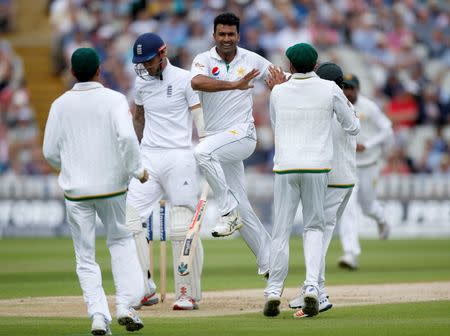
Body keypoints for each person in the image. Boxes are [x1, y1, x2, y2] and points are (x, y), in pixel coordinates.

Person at [43, 48, 146, 335]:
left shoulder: (59, 105)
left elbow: (49, 153)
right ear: (99, 70)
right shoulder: (114, 99)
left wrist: (71, 168)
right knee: (121, 242)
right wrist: (136, 169)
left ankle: (98, 316)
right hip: (112, 187)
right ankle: (125, 306)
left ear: (73, 73)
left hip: (76, 192)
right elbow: (127, 137)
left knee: (85, 257)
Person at [262, 44, 359, 318]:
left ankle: (273, 291)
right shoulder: (330, 90)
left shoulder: (278, 91)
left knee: (280, 229)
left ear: (290, 66)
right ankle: (312, 288)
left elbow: (275, 124)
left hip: (285, 167)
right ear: (316, 65)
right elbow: (353, 126)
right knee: (314, 228)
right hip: (317, 168)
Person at [126, 32, 205, 310]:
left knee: (182, 223)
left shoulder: (185, 78)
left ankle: (187, 292)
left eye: (149, 61)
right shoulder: (141, 82)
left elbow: (198, 117)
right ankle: (142, 288)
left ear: (163, 53)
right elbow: (139, 117)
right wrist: (134, 154)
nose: (146, 67)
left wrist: (206, 147)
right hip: (149, 156)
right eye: (141, 63)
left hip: (179, 156)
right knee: (128, 217)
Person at [190, 12, 271, 276]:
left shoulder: (252, 59)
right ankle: (269, 260)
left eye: (231, 34)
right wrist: (234, 84)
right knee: (242, 204)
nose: (226, 39)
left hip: (243, 135)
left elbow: (277, 78)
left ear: (238, 35)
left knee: (201, 152)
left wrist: (289, 84)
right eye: (221, 34)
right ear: (214, 35)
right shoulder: (203, 60)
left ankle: (227, 212)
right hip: (219, 140)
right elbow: (196, 82)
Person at [288, 62, 357, 317]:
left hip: (331, 180)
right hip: (343, 179)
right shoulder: (344, 103)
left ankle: (317, 292)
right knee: (318, 234)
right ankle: (314, 287)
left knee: (317, 235)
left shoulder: (329, 104)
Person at [338, 74, 393, 270]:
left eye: (351, 88)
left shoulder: (369, 106)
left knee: (368, 206)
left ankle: (382, 218)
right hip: (348, 165)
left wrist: (367, 145)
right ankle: (350, 253)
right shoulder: (337, 103)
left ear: (358, 89)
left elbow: (387, 129)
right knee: (348, 208)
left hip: (369, 164)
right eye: (344, 87)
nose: (347, 92)